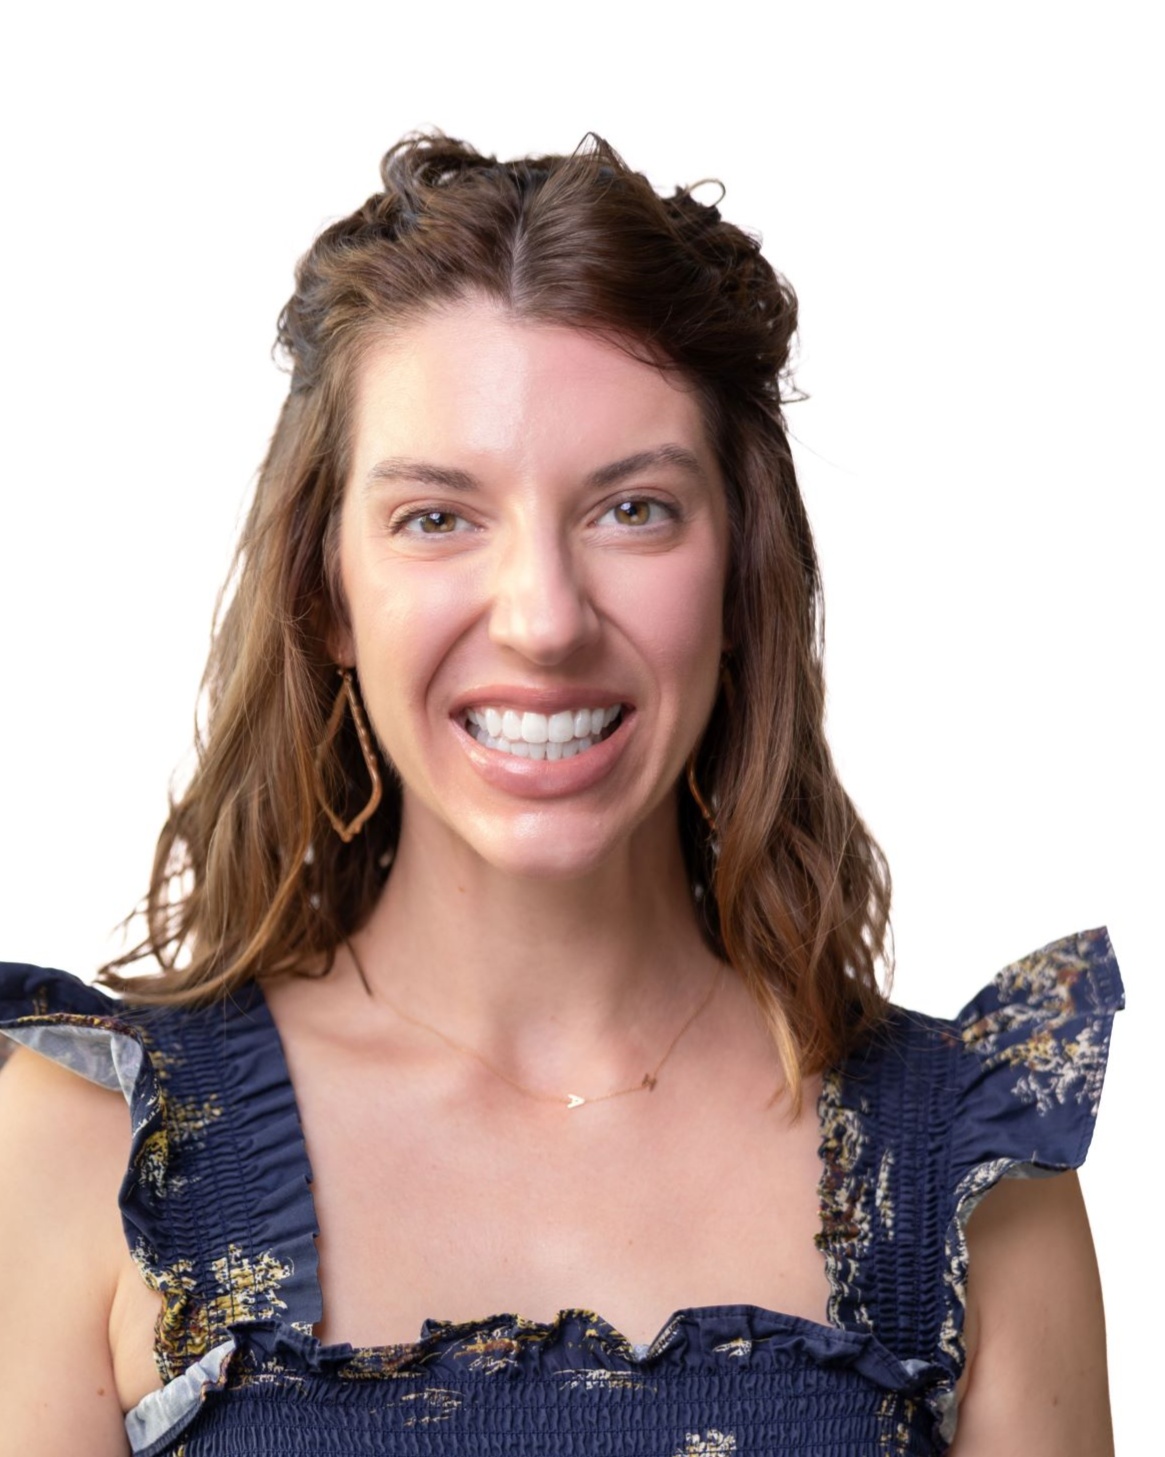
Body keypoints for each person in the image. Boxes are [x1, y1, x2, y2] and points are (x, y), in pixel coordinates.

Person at [0, 133, 1121, 1456]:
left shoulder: (972, 1175)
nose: (542, 620)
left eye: (633, 509)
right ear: (326, 594)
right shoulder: (89, 1152)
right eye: (437, 517)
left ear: (741, 577)